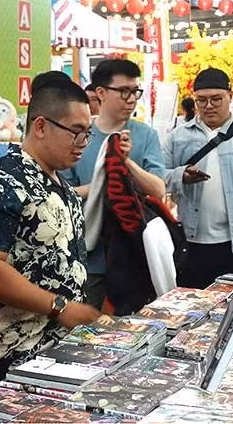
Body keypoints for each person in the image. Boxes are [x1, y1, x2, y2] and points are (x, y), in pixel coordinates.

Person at [0, 72, 101, 390]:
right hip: (16, 357)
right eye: (75, 132)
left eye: (87, 134)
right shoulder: (4, 182)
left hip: (59, 351)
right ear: (40, 126)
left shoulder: (57, 180)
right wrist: (59, 306)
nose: (82, 143)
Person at [63, 59, 165, 310]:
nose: (131, 99)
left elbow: (158, 190)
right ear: (101, 93)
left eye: (135, 92)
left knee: (135, 327)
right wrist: (100, 185)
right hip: (89, 254)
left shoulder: (145, 135)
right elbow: (63, 193)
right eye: (124, 92)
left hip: (135, 254)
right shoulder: (81, 134)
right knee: (85, 330)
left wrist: (126, 162)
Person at [163, 68, 233, 289]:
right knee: (193, 307)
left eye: (216, 99)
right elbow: (156, 177)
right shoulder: (177, 137)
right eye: (202, 100)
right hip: (191, 241)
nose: (209, 106)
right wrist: (180, 175)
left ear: (230, 96)